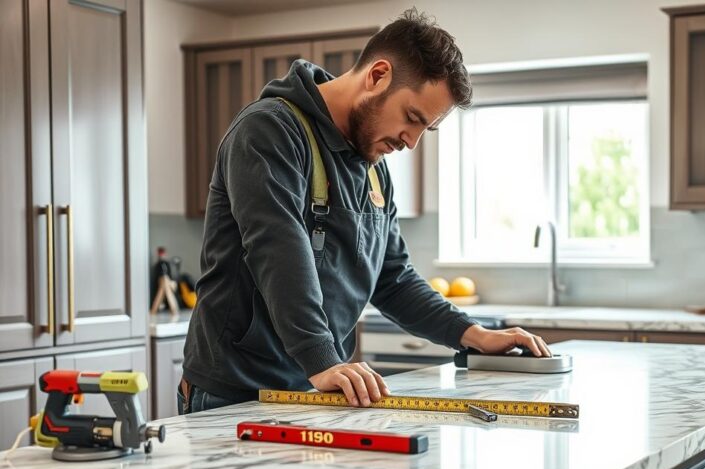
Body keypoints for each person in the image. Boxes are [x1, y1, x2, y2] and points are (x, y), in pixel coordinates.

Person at [178, 9, 551, 415]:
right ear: (377, 76)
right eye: (412, 118)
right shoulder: (268, 132)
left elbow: (392, 278)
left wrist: (469, 332)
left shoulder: (373, 171)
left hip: (317, 389)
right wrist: (323, 358)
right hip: (236, 392)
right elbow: (277, 252)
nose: (411, 142)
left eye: (426, 128)